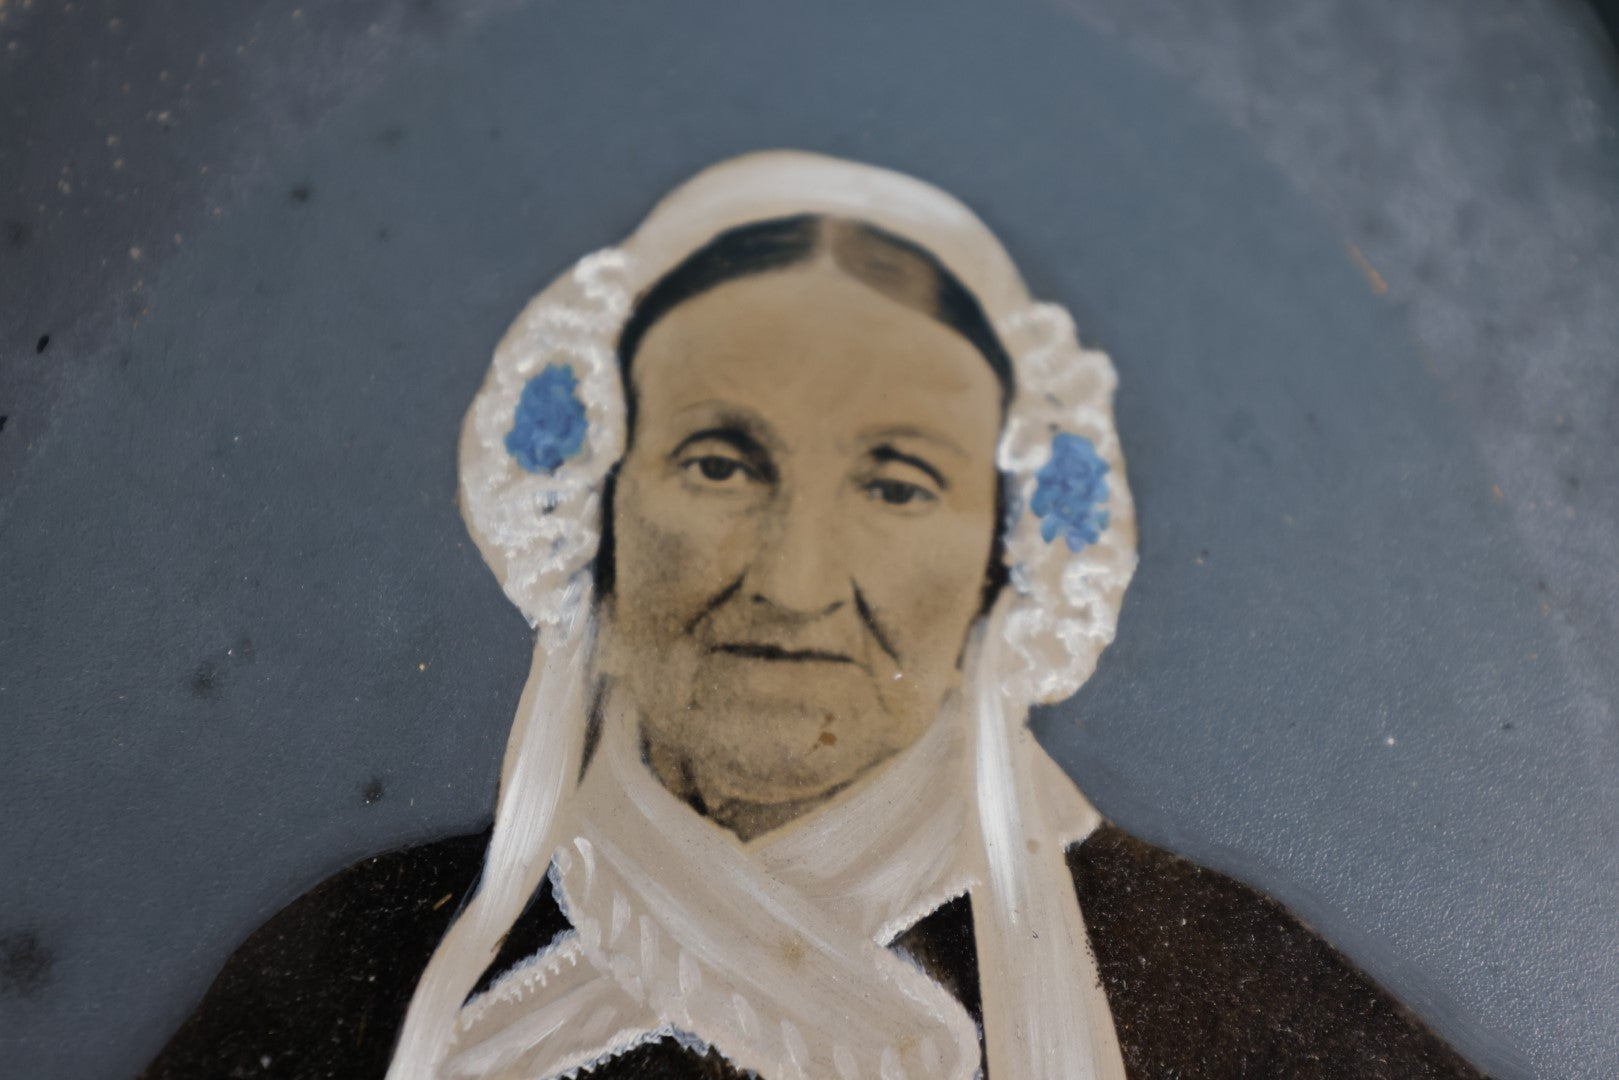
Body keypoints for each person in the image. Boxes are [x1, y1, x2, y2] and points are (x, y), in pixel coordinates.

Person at [143, 152, 1488, 1080]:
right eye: (720, 466)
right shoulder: (358, 973)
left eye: (897, 486)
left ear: (1009, 556)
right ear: (593, 504)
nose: (794, 581)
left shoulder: (1229, 999)